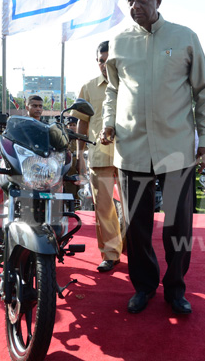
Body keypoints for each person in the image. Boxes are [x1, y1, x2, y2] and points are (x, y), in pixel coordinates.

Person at [100, 0, 205, 314]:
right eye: (130, 0)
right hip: (132, 147)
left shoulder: (184, 37)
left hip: (176, 149)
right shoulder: (119, 40)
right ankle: (144, 285)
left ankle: (176, 289)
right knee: (135, 226)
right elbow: (112, 89)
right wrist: (109, 123)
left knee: (177, 225)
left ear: (158, 0)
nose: (136, 6)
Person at [73, 41, 125, 273]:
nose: (104, 65)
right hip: (99, 155)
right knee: (104, 207)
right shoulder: (88, 88)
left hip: (130, 156)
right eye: (100, 61)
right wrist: (78, 156)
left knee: (133, 207)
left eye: (108, 60)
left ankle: (126, 243)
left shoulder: (131, 86)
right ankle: (111, 253)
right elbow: (81, 124)